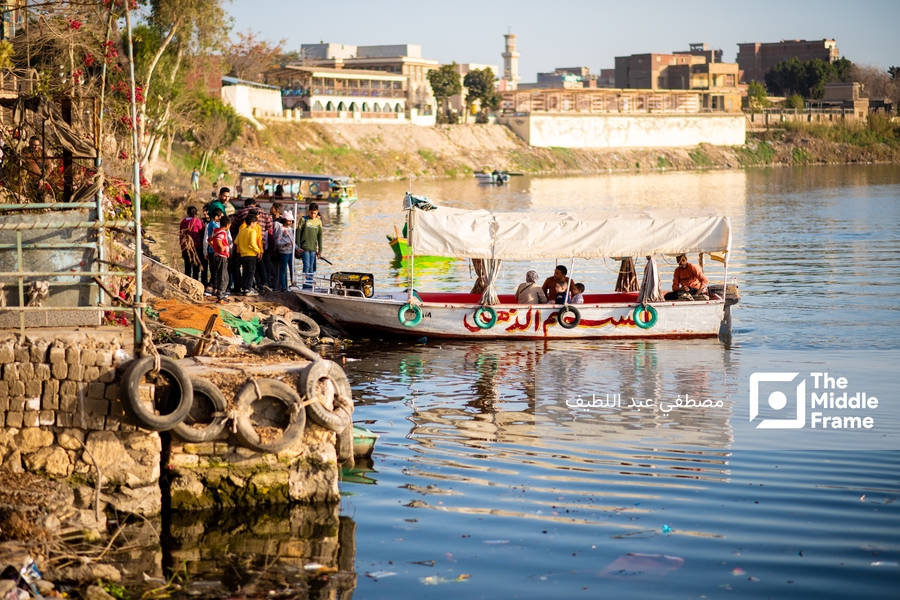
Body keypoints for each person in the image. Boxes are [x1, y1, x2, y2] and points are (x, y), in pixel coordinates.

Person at [235, 211, 263, 296]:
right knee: (251, 272)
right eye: (255, 223)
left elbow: (236, 242)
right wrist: (258, 251)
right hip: (251, 255)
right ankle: (248, 289)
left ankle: (243, 288)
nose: (256, 225)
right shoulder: (252, 231)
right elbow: (252, 243)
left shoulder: (241, 230)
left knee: (245, 272)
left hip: (243, 255)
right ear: (252, 223)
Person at [297, 203, 323, 289]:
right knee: (306, 266)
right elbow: (298, 233)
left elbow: (320, 236)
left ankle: (310, 285)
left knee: (311, 268)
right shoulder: (303, 219)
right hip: (304, 248)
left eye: (315, 213)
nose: (313, 215)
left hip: (313, 248)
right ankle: (305, 286)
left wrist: (320, 250)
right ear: (308, 211)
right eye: (311, 213)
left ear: (317, 212)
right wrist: (298, 246)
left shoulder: (318, 222)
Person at [209, 215, 232, 303]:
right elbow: (218, 240)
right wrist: (221, 248)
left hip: (217, 255)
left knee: (221, 275)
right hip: (221, 256)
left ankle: (221, 294)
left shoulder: (216, 231)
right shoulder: (222, 232)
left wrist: (214, 248)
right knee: (224, 277)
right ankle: (220, 296)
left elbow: (209, 240)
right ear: (227, 225)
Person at [178, 206, 204, 280]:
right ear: (196, 213)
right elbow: (202, 232)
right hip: (196, 246)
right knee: (196, 266)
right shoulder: (198, 221)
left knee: (187, 266)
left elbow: (181, 235)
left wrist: (182, 248)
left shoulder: (183, 222)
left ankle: (187, 282)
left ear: (187, 213)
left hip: (186, 247)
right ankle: (195, 282)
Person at [203, 208, 223, 295]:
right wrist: (205, 251)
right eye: (220, 216)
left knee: (214, 270)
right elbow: (207, 239)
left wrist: (206, 251)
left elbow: (206, 239)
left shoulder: (210, 225)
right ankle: (214, 288)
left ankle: (213, 287)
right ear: (216, 217)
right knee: (215, 270)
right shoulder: (215, 226)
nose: (221, 218)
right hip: (215, 250)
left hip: (211, 250)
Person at [274, 210, 296, 292]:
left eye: (291, 221)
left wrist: (297, 248)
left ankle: (293, 284)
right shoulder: (281, 229)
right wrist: (284, 244)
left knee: (292, 269)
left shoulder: (290, 229)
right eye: (289, 220)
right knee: (283, 270)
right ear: (284, 220)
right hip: (284, 252)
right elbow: (277, 241)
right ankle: (283, 287)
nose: (290, 222)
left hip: (291, 252)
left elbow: (293, 241)